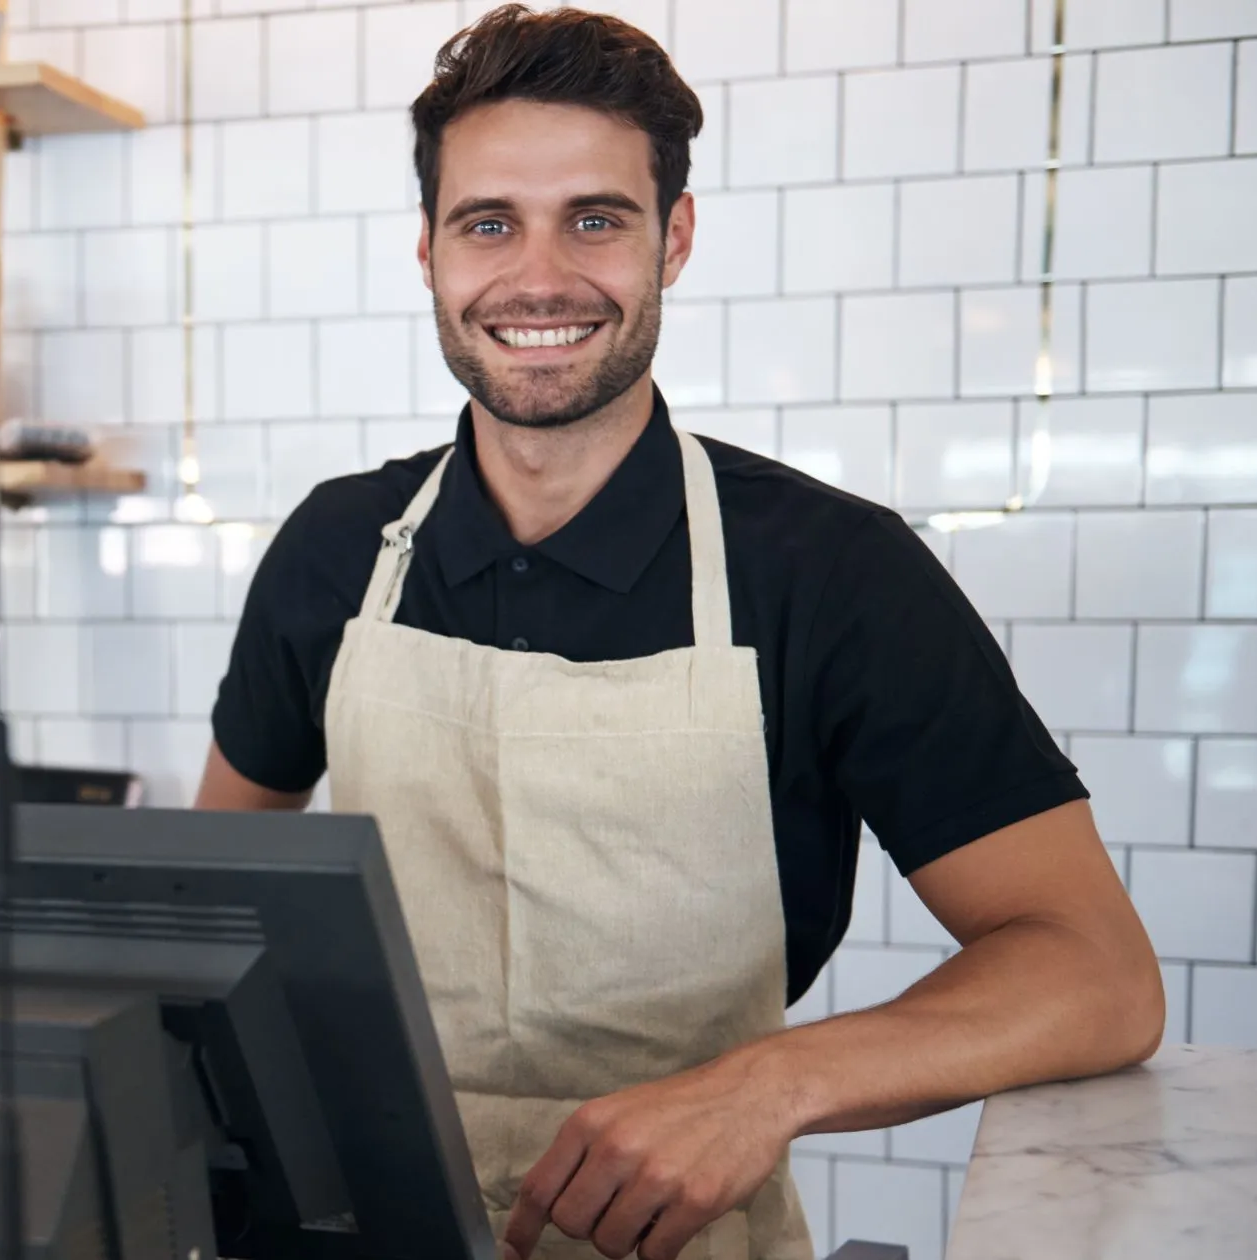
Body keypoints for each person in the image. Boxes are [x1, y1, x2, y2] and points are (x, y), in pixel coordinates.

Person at [194, 8, 1164, 1260]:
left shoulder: (830, 570)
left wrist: (762, 1088)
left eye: (593, 219)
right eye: (488, 223)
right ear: (427, 252)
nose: (537, 276)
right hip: (370, 1215)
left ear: (675, 238)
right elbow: (207, 913)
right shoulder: (338, 550)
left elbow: (1093, 971)